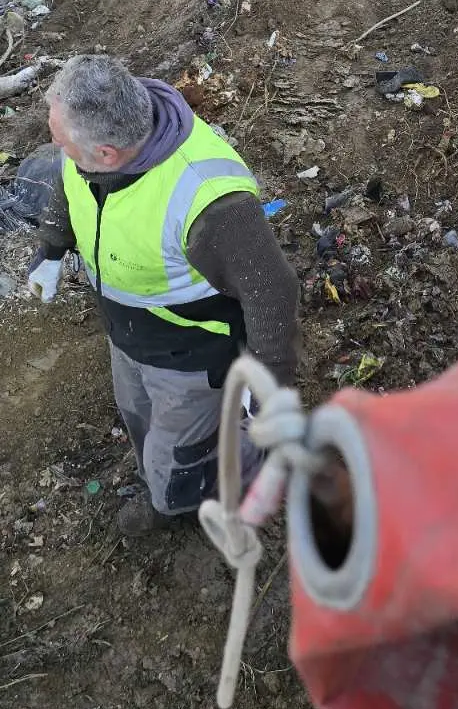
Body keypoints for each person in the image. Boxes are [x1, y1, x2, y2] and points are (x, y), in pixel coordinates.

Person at [30, 55, 300, 536]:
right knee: (139, 418)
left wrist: (268, 383)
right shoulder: (91, 152)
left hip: (192, 352)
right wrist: (52, 250)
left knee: (178, 460)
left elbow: (272, 291)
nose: (55, 145)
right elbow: (70, 182)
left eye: (61, 138)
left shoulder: (210, 200)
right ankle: (166, 475)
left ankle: (192, 497)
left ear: (108, 153)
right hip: (129, 330)